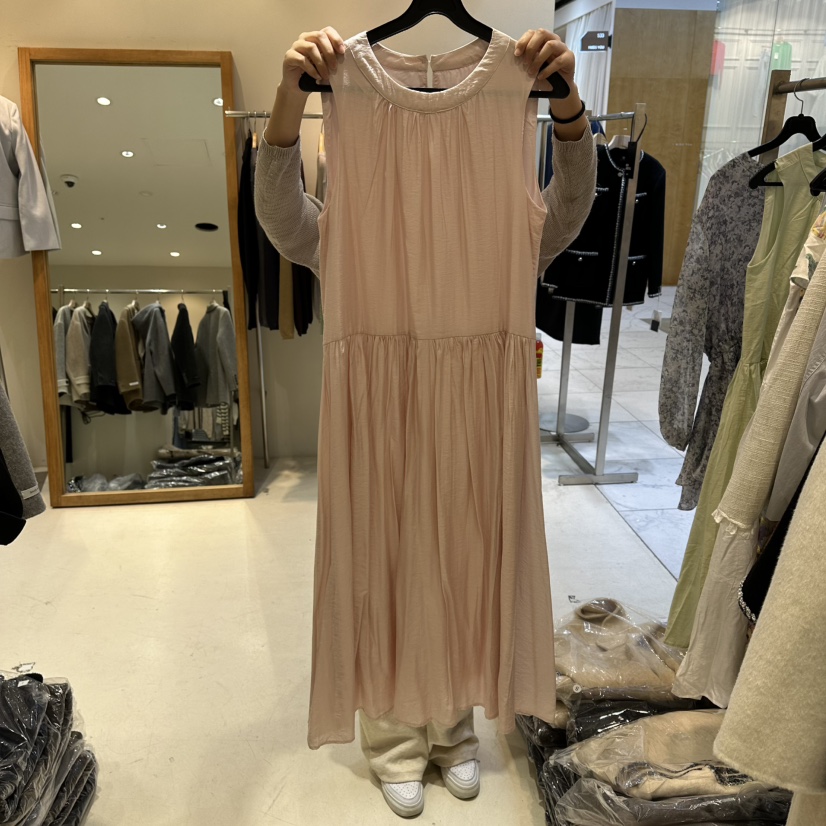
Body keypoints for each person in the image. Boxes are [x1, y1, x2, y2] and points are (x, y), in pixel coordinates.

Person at [255, 25, 597, 818]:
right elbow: (286, 222)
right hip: (384, 391)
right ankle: (394, 739)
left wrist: (570, 113)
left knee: (466, 551)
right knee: (386, 554)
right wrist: (288, 102)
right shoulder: (346, 89)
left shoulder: (513, 85)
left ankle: (452, 729)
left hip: (477, 397)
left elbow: (565, 216)